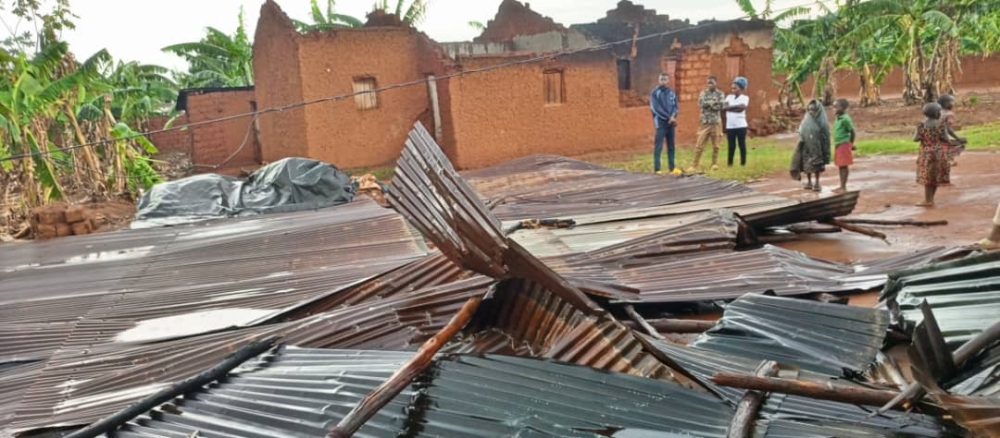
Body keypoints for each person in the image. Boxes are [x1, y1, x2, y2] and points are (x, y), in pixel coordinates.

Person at [914, 102, 951, 207]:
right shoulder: (941, 125)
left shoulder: (921, 125)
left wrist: (924, 137)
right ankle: (930, 199)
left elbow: (915, 138)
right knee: (935, 177)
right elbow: (946, 139)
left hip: (926, 154)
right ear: (936, 113)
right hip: (939, 154)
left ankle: (928, 200)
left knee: (927, 178)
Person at [790, 99, 831, 192]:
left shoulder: (822, 122)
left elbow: (825, 136)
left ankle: (817, 183)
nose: (811, 112)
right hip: (807, 147)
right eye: (809, 110)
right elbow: (801, 131)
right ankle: (809, 182)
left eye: (813, 110)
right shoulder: (806, 120)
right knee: (807, 165)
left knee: (817, 166)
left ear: (818, 110)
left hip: (817, 148)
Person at [688, 76, 726, 172]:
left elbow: (720, 105)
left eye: (712, 83)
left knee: (716, 145)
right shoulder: (703, 93)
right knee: (699, 144)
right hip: (704, 122)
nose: (710, 84)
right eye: (708, 83)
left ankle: (714, 163)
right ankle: (694, 165)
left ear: (716, 83)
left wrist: (709, 104)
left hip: (715, 122)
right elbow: (701, 104)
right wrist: (713, 103)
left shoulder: (720, 94)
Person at [651, 72, 680, 175]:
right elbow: (656, 108)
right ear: (659, 80)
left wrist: (673, 116)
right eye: (661, 79)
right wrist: (668, 117)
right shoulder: (655, 93)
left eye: (665, 80)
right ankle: (657, 168)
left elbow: (676, 107)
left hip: (671, 123)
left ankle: (672, 167)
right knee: (658, 145)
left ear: (668, 81)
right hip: (661, 123)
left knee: (671, 145)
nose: (663, 81)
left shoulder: (671, 93)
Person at [723, 77, 750, 167]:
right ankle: (730, 163)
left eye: (736, 87)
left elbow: (742, 108)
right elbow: (724, 108)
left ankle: (743, 163)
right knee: (731, 145)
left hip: (741, 126)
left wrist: (729, 108)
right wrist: (735, 107)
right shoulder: (729, 97)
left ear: (741, 88)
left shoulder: (745, 98)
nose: (733, 88)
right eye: (733, 87)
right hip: (730, 126)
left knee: (741, 144)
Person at [832, 98, 855, 193]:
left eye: (836, 107)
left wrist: (850, 144)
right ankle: (841, 186)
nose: (834, 109)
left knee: (844, 165)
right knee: (840, 165)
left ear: (843, 108)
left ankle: (843, 187)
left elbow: (852, 132)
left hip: (843, 144)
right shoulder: (838, 118)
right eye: (833, 107)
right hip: (838, 144)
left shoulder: (845, 119)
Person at [937, 94, 967, 167]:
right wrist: (958, 138)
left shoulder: (937, 112)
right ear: (946, 103)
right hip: (942, 138)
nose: (953, 103)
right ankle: (949, 159)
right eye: (951, 102)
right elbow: (949, 129)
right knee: (961, 144)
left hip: (932, 138)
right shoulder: (949, 114)